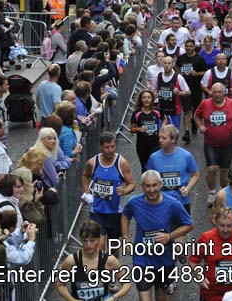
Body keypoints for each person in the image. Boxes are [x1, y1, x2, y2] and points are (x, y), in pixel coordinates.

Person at [121, 170, 194, 301]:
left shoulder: (173, 204)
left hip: (164, 260)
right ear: (142, 187)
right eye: (147, 186)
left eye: (154, 185)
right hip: (142, 260)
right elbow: (125, 215)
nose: (151, 190)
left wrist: (170, 236)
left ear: (160, 185)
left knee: (161, 297)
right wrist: (125, 237)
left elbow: (189, 225)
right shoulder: (134, 202)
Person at [80, 132, 135, 252]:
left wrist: (124, 190)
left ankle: (112, 264)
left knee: (113, 249)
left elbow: (132, 184)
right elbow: (85, 176)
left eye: (113, 146)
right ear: (101, 147)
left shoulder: (121, 163)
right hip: (97, 212)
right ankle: (100, 264)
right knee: (99, 247)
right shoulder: (93, 163)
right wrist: (87, 192)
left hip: (115, 212)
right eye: (107, 147)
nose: (110, 150)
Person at [195, 82, 232, 207]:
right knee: (211, 169)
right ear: (211, 93)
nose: (217, 94)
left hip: (227, 143)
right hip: (210, 143)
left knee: (224, 170)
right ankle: (212, 193)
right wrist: (200, 126)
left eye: (219, 92)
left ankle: (222, 192)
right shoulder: (205, 103)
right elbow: (196, 115)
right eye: (215, 92)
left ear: (224, 93)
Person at [56, 220, 132, 301]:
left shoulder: (109, 260)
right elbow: (60, 285)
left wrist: (113, 298)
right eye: (85, 241)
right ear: (81, 240)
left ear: (99, 239)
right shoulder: (71, 261)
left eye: (92, 241)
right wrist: (72, 300)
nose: (89, 245)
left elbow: (127, 283)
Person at [190, 206, 232, 301]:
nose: (225, 230)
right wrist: (199, 276)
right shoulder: (206, 238)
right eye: (221, 225)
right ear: (215, 223)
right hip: (211, 295)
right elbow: (193, 261)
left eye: (229, 226)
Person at [145, 124, 200, 217]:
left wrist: (187, 188)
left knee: (184, 225)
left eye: (164, 138)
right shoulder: (153, 158)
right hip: (161, 202)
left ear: (173, 139)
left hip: (181, 201)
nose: (160, 140)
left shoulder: (186, 156)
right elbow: (148, 178)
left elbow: (195, 175)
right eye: (159, 137)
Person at [129, 90, 167, 168]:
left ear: (152, 99)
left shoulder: (157, 111)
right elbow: (132, 130)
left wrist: (162, 128)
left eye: (149, 97)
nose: (146, 99)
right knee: (145, 167)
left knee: (155, 164)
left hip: (155, 143)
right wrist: (139, 129)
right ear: (141, 100)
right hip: (142, 145)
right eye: (144, 97)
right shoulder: (137, 113)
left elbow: (164, 118)